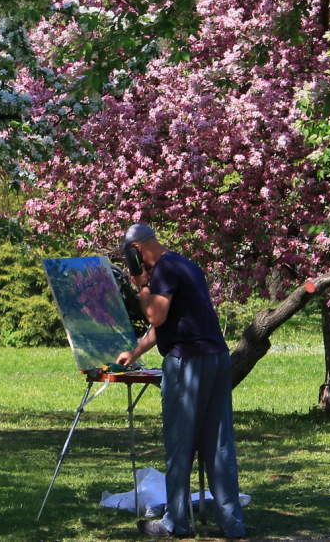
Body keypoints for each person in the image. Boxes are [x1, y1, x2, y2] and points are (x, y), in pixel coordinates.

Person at [116, 223, 246, 539]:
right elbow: (168, 323)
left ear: (136, 250)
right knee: (218, 443)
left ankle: (175, 522)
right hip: (217, 358)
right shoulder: (185, 265)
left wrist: (140, 284)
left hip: (188, 362)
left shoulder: (162, 269)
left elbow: (155, 316)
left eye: (129, 258)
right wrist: (134, 353)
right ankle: (232, 523)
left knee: (180, 441)